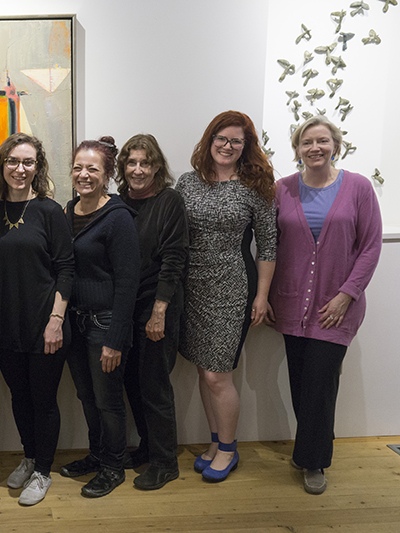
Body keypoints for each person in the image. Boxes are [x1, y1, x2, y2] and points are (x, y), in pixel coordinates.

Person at [267, 115, 381, 494]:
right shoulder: (282, 189)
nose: (314, 148)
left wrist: (347, 294)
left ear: (335, 144)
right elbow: (270, 247)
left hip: (338, 308)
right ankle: (307, 451)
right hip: (291, 305)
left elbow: (370, 247)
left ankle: (314, 461)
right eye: (306, 142)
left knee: (320, 384)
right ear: (297, 149)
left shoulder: (359, 188)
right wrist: (263, 295)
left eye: (322, 141)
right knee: (301, 382)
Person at [175, 111, 276, 483]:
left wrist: (262, 296)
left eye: (236, 140)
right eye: (222, 138)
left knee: (218, 375)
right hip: (192, 285)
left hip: (233, 285)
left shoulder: (256, 185)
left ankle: (230, 451)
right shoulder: (188, 182)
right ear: (210, 139)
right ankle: (216, 443)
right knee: (203, 371)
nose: (227, 146)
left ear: (246, 146)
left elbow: (268, 245)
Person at [0, 133, 74, 505]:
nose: (20, 169)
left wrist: (56, 319)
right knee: (19, 397)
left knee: (43, 399)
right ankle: (29, 456)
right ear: (2, 165)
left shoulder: (50, 211)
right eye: (13, 162)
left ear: (37, 168)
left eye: (28, 162)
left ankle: (43, 471)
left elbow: (67, 269)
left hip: (44, 323)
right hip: (5, 324)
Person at [61, 136, 139, 498]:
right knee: (87, 396)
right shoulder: (67, 211)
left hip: (105, 323)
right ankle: (97, 454)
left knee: (108, 401)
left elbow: (127, 283)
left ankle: (113, 466)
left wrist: (116, 339)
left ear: (107, 175)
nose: (84, 174)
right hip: (75, 323)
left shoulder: (118, 218)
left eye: (93, 169)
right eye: (78, 167)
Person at [116, 134, 188, 490]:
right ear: (123, 166)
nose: (138, 170)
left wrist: (158, 311)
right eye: (132, 163)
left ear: (157, 166)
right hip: (126, 308)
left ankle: (165, 462)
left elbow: (174, 260)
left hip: (158, 306)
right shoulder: (119, 204)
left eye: (146, 163)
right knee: (132, 382)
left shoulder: (169, 202)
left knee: (154, 386)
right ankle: (146, 448)